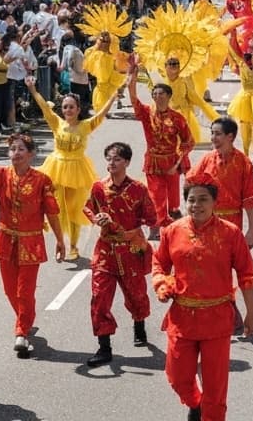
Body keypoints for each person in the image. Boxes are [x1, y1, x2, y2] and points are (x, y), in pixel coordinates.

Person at [152, 175, 253, 421]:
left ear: (214, 202)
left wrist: (252, 314)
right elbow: (159, 264)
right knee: (177, 377)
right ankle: (195, 403)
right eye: (191, 200)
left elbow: (246, 275)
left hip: (217, 320)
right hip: (182, 319)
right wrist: (161, 284)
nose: (196, 205)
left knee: (216, 389)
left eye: (203, 199)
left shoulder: (230, 234)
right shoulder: (172, 231)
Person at [0, 113, 64, 358]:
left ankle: (21, 331)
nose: (16, 153)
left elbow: (52, 213)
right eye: (12, 149)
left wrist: (60, 241)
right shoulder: (1, 176)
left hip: (31, 242)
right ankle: (26, 319)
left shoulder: (42, 180)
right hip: (6, 240)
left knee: (24, 291)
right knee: (10, 291)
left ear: (31, 154)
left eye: (21, 149)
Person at [83, 141, 159, 367]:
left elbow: (152, 217)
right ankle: (104, 347)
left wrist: (133, 230)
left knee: (136, 294)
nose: (111, 163)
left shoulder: (138, 189)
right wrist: (96, 218)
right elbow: (89, 208)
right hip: (105, 250)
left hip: (130, 250)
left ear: (126, 162)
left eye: (116, 159)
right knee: (99, 298)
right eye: (108, 159)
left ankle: (139, 324)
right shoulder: (98, 187)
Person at [27, 75, 116, 258]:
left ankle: (74, 245)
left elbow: (100, 115)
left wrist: (113, 97)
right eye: (65, 107)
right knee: (57, 207)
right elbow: (45, 108)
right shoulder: (56, 123)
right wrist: (33, 90)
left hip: (77, 170)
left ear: (78, 109)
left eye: (71, 107)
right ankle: (60, 240)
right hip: (56, 169)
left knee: (74, 209)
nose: (67, 110)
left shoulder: (85, 126)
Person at [128, 58, 194, 228]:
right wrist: (132, 76)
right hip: (153, 161)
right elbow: (134, 98)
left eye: (161, 93)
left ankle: (172, 212)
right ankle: (158, 223)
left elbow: (188, 142)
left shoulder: (177, 118)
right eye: (155, 94)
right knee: (156, 194)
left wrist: (178, 162)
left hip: (172, 161)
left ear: (169, 96)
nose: (158, 96)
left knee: (172, 197)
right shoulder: (146, 114)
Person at [188, 116, 253, 250]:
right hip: (206, 220)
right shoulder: (207, 159)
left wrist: (252, 230)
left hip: (231, 224)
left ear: (230, 137)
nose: (213, 138)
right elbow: (190, 183)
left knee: (227, 262)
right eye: (212, 133)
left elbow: (249, 198)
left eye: (218, 134)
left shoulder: (243, 163)